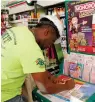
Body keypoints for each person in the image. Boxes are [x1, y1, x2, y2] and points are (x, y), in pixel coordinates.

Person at [1, 15, 75, 102]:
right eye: (52, 41)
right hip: (5, 95)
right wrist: (68, 86)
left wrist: (51, 77)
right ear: (46, 32)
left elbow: (35, 68)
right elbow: (45, 88)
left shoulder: (19, 30)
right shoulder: (32, 48)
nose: (49, 46)